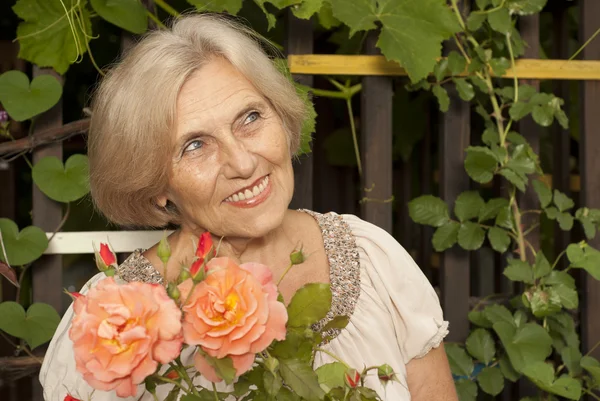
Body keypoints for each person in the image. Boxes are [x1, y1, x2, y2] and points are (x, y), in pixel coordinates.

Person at [39, 13, 457, 401]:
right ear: (155, 187)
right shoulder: (107, 324)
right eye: (195, 145)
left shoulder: (372, 258)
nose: (242, 163)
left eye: (251, 118)